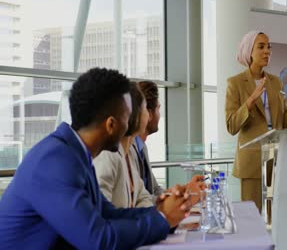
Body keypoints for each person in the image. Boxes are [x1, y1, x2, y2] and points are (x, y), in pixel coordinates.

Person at [0, 68, 190, 249]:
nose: (129, 126)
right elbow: (98, 240)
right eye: (127, 117)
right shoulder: (54, 161)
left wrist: (162, 212)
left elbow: (109, 214)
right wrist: (163, 218)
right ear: (111, 125)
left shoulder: (75, 153)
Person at [225, 30, 287, 211]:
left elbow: (286, 123)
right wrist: (250, 100)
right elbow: (231, 125)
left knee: (274, 215)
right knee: (252, 216)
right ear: (249, 51)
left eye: (268, 47)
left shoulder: (276, 82)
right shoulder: (236, 83)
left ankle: (274, 240)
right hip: (251, 159)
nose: (267, 51)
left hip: (276, 155)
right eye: (261, 47)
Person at [133, 80, 206, 206]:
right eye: (158, 108)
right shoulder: (126, 151)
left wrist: (186, 190)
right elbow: (137, 200)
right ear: (149, 114)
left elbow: (155, 190)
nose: (159, 114)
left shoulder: (142, 147)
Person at [93, 82, 154, 208]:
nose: (148, 115)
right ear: (133, 114)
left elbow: (144, 197)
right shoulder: (107, 155)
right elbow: (100, 212)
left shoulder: (129, 152)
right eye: (145, 108)